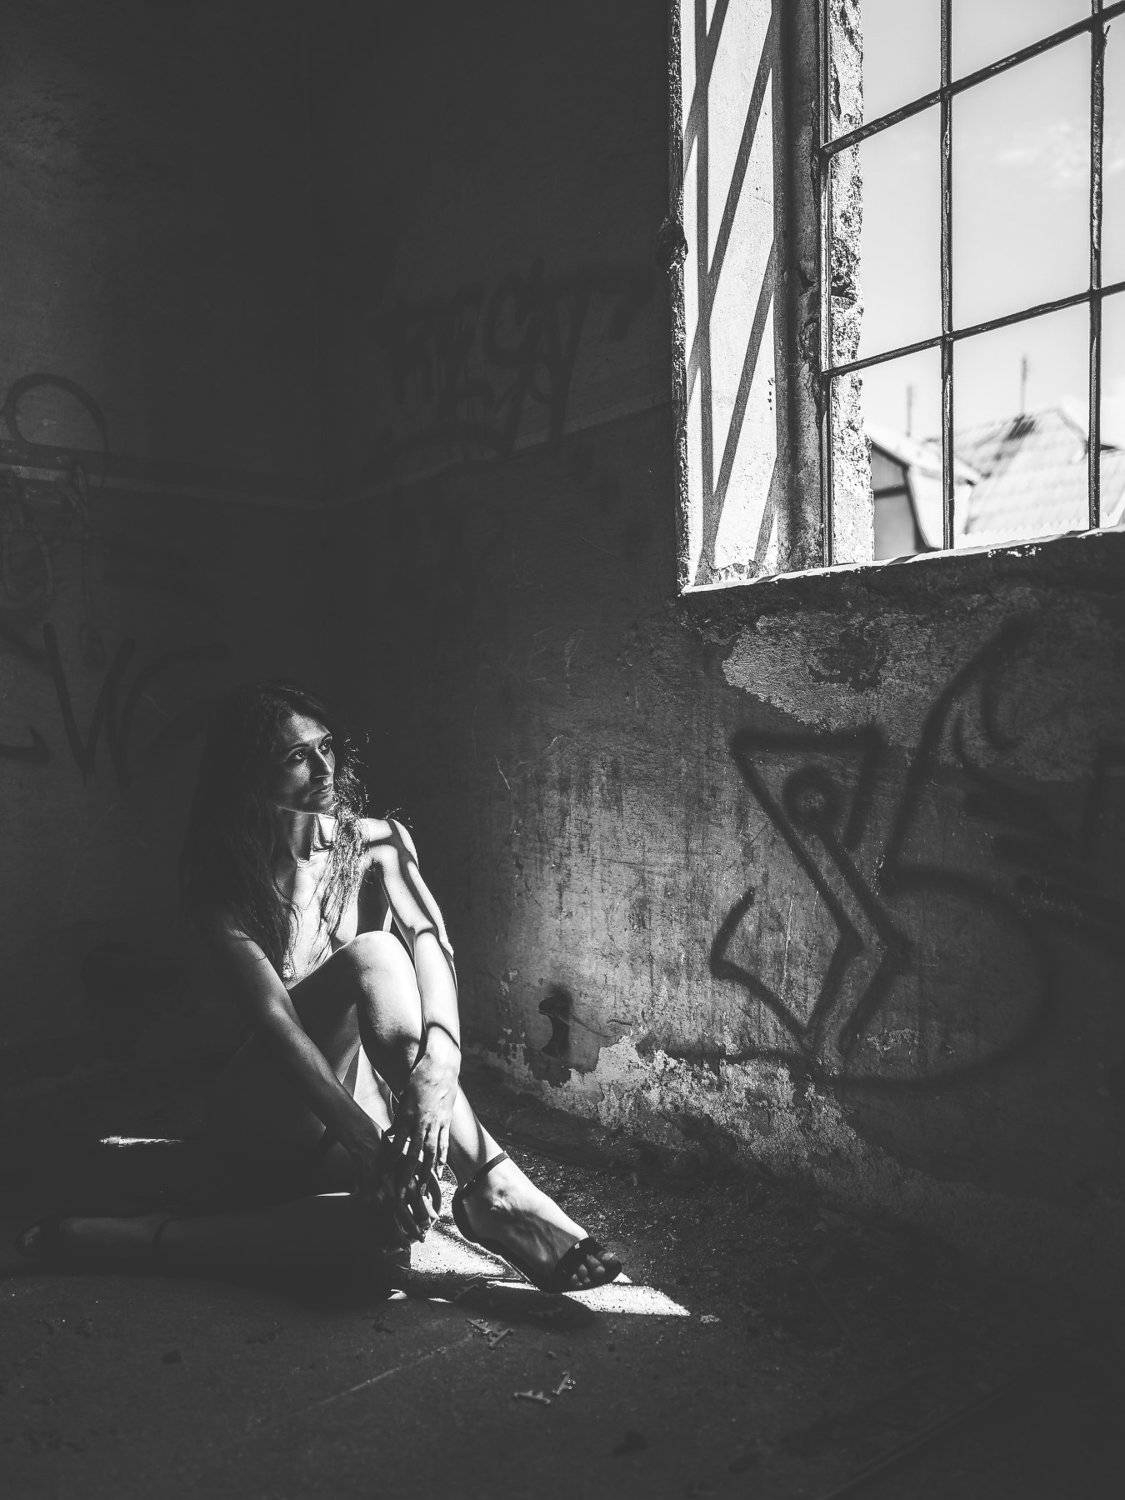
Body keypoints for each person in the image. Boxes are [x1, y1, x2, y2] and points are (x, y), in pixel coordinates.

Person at [15, 682, 622, 1294]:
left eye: (326, 747)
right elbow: (276, 1023)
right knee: (376, 955)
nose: (323, 768)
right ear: (249, 775)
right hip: (269, 1107)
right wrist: (367, 1144)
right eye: (295, 756)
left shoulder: (379, 842)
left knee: (381, 1245)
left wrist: (440, 1064)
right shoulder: (221, 883)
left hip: (357, 1101)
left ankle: (131, 1238)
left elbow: (432, 941)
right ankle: (495, 1186)